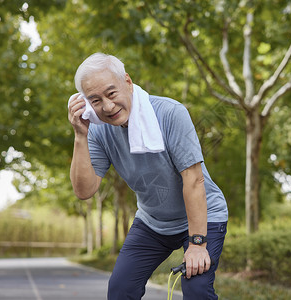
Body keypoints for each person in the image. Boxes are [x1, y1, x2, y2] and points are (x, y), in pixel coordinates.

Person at [67, 52, 228, 300]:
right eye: (95, 100)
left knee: (196, 290)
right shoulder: (97, 131)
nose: (107, 107)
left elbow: (194, 181)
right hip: (153, 221)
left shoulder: (170, 113)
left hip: (202, 216)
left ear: (128, 83)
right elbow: (84, 191)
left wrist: (197, 244)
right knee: (121, 290)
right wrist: (80, 136)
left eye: (112, 94)